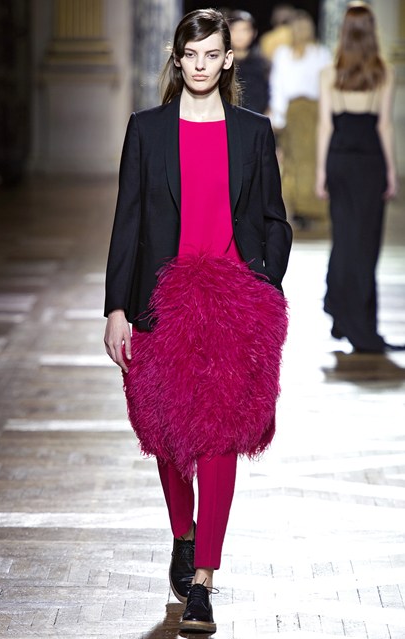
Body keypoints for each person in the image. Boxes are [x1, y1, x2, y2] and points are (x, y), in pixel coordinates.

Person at [104, 9, 292, 634]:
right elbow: (128, 222)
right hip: (162, 303)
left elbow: (275, 218)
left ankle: (204, 579)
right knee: (166, 438)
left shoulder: (253, 131)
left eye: (213, 54)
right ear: (178, 59)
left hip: (232, 305)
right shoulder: (147, 130)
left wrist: (263, 284)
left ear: (227, 59)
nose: (202, 65)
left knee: (217, 440)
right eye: (192, 55)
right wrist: (116, 308)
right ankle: (183, 534)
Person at [316, 1, 403, 354]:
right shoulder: (384, 73)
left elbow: (326, 125)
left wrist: (321, 171)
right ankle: (358, 320)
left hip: (339, 160)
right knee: (365, 244)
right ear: (372, 33)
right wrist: (391, 171)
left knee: (344, 238)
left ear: (344, 33)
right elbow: (383, 126)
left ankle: (339, 307)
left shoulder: (329, 73)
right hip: (369, 163)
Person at [270, 10, 332, 229]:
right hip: (295, 113)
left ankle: (311, 210)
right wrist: (278, 116)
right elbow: (277, 85)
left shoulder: (321, 53)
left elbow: (327, 86)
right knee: (293, 163)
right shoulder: (283, 54)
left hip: (314, 112)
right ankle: (297, 209)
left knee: (311, 161)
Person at [228, 10, 271, 114]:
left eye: (244, 30)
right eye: (234, 30)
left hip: (256, 118)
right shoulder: (220, 63)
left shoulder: (263, 65)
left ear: (254, 33)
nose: (239, 35)